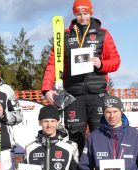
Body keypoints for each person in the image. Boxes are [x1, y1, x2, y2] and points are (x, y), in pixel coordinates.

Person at [42, 0, 121, 154]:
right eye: (79, 14)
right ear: (74, 14)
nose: (83, 17)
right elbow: (53, 64)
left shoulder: (102, 33)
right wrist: (46, 89)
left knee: (101, 136)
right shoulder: (64, 35)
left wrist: (101, 64)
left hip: (97, 93)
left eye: (85, 13)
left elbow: (116, 61)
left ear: (91, 13)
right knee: (75, 138)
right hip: (73, 95)